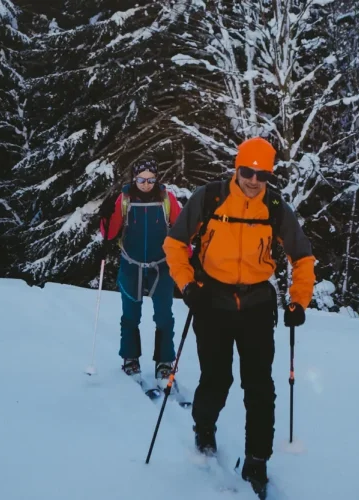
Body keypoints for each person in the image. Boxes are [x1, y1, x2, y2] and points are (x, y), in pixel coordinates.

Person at [162, 137, 315, 496]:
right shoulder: (211, 197)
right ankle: (204, 427)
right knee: (217, 378)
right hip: (212, 301)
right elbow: (174, 244)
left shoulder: (276, 206)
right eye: (247, 171)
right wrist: (187, 286)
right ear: (237, 167)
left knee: (260, 386)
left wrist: (298, 302)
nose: (253, 180)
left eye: (262, 174)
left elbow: (302, 256)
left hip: (258, 305)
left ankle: (257, 460)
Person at [99, 158, 184, 386]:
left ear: (156, 179)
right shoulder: (125, 199)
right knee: (130, 316)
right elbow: (109, 233)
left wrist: (188, 253)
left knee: (164, 316)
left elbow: (181, 228)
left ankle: (164, 362)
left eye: (150, 179)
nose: (145, 184)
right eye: (141, 179)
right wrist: (105, 216)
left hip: (161, 266)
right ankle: (130, 359)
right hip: (131, 265)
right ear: (134, 179)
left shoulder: (167, 199)